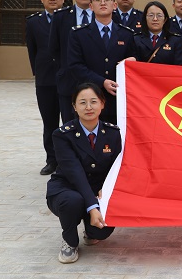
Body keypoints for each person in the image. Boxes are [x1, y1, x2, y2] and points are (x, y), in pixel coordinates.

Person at [46, 83, 122, 263]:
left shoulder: (113, 133)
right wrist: (92, 207)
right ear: (74, 107)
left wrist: (109, 189)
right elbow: (75, 172)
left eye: (93, 101)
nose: (88, 107)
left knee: (100, 232)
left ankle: (90, 230)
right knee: (73, 202)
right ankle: (70, 241)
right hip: (67, 187)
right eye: (82, 103)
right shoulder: (62, 135)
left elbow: (117, 167)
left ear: (103, 104)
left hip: (97, 189)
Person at [67, 0, 136, 124]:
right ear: (91, 6)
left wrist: (133, 60)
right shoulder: (78, 34)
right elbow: (75, 66)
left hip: (117, 98)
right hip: (90, 96)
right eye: (98, 0)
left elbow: (134, 60)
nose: (103, 3)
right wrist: (102, 82)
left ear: (114, 5)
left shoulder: (126, 34)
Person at [49, 0, 97, 122]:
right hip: (68, 83)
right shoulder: (60, 17)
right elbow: (54, 49)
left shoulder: (105, 16)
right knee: (70, 129)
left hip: (98, 83)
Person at [26, 0, 64, 175]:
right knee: (49, 123)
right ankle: (52, 160)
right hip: (45, 80)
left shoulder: (69, 19)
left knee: (69, 122)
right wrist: (39, 73)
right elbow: (32, 51)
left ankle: (68, 160)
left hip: (66, 78)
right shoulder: (33, 22)